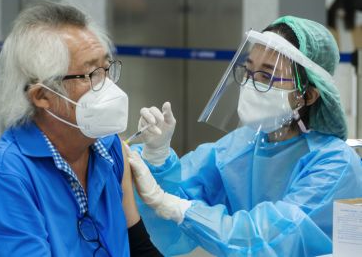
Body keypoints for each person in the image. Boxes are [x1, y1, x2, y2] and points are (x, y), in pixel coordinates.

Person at [127, 15, 362, 256]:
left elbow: (268, 240)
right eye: (248, 71)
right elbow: (173, 220)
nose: (250, 83)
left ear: (308, 95)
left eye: (267, 76)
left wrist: (172, 205)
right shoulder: (240, 146)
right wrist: (158, 159)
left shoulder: (335, 163)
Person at [0, 0, 161, 257]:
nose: (107, 86)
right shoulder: (5, 174)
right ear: (42, 96)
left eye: (106, 69)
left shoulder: (109, 146)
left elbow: (140, 249)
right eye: (90, 74)